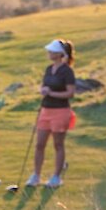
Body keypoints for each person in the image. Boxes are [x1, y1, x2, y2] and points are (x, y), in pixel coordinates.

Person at [26, 39, 76, 188]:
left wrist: (51, 93)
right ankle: (36, 175)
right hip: (45, 110)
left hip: (61, 111)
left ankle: (56, 177)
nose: (49, 53)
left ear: (60, 54)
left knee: (58, 144)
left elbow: (70, 93)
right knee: (39, 144)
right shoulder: (49, 69)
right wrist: (44, 91)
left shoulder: (67, 71)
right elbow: (45, 86)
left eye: (52, 51)